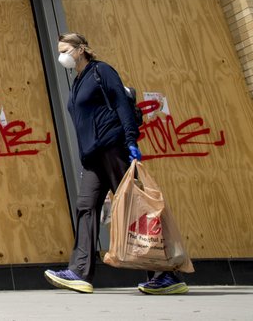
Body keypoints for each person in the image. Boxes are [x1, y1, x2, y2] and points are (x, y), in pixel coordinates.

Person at [44, 33, 188, 296]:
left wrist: (131, 140)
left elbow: (122, 104)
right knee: (85, 207)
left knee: (135, 206)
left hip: (113, 148)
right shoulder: (77, 82)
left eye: (64, 49)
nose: (61, 56)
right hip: (92, 158)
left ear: (80, 50)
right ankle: (79, 272)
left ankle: (165, 274)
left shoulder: (102, 71)